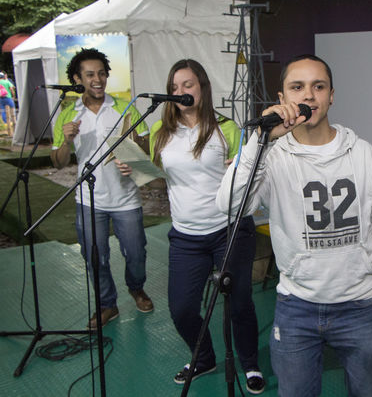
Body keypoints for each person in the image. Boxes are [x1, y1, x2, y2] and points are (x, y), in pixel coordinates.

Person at [216, 54, 372, 397]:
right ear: (282, 99)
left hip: (362, 306)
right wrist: (260, 141)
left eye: (318, 86)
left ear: (331, 94)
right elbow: (229, 206)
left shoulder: (363, 155)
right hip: (297, 306)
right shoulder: (270, 156)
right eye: (297, 87)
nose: (308, 96)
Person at [144, 59, 264, 394]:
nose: (180, 92)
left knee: (239, 303)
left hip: (229, 230)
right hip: (185, 235)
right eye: (174, 88)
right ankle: (205, 357)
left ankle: (250, 363)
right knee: (181, 308)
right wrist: (137, 171)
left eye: (188, 85)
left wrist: (236, 169)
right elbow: (162, 181)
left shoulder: (226, 128)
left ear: (202, 88)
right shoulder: (160, 131)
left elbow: (248, 176)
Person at [51, 48, 153, 329]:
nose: (97, 79)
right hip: (88, 200)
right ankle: (108, 305)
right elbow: (58, 163)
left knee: (136, 253)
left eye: (102, 73)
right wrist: (66, 142)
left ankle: (136, 287)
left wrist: (135, 143)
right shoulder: (69, 115)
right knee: (95, 257)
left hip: (126, 198)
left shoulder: (125, 107)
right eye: (90, 74)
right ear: (77, 78)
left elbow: (145, 149)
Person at [0, 71, 16, 137]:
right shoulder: (7, 82)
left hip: (1, 98)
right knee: (13, 109)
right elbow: (12, 88)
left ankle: (6, 123)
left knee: (3, 110)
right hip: (8, 97)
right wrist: (13, 96)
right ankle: (14, 122)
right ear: (3, 77)